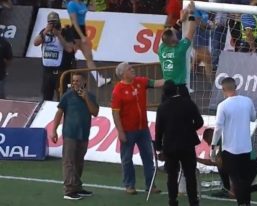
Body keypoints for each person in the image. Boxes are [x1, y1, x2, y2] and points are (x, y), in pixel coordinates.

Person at [111, 62, 163, 195]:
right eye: (130, 69)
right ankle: (129, 185)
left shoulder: (140, 81)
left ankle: (151, 184)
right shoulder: (118, 90)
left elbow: (157, 83)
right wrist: (120, 131)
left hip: (143, 129)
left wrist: (173, 77)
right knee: (127, 158)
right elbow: (115, 113)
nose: (133, 70)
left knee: (148, 157)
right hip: (128, 130)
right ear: (123, 73)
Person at [50, 72, 99, 200]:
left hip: (83, 134)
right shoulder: (67, 96)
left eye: (78, 81)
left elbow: (95, 112)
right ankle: (69, 190)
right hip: (70, 133)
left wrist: (86, 98)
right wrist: (53, 130)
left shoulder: (90, 96)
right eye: (73, 81)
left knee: (79, 162)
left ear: (84, 82)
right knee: (69, 162)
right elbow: (59, 113)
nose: (75, 83)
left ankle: (77, 187)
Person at [155, 80, 204, 206]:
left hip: (170, 145)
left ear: (164, 93)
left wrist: (158, 147)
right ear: (177, 90)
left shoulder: (162, 108)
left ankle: (172, 201)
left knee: (171, 176)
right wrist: (189, 129)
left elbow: (159, 130)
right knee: (190, 175)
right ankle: (193, 202)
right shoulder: (188, 103)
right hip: (187, 144)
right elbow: (199, 122)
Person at [210, 77, 257, 206]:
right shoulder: (248, 101)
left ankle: (242, 203)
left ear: (223, 89)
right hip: (246, 148)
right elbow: (253, 118)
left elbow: (218, 129)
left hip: (230, 149)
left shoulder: (223, 105)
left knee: (236, 180)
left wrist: (213, 148)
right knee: (244, 179)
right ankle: (246, 203)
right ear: (235, 87)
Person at [197, 128, 257, 200]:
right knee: (221, 165)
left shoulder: (225, 144)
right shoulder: (225, 139)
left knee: (234, 194)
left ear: (212, 136)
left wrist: (196, 159)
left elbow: (220, 163)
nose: (209, 144)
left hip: (248, 165)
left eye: (208, 141)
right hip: (252, 162)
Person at [67, 0, 111, 87]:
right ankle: (68, 80)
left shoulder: (82, 4)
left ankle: (98, 79)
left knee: (89, 57)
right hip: (75, 32)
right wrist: (82, 36)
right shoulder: (71, 4)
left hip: (83, 30)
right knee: (70, 58)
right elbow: (74, 22)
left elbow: (93, 8)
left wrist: (93, 2)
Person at [158, 0, 196, 98]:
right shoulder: (180, 49)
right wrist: (192, 13)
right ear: (174, 40)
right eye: (175, 36)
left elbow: (168, 33)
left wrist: (180, 20)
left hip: (166, 87)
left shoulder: (162, 48)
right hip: (179, 88)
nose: (176, 34)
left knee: (166, 110)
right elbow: (191, 31)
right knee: (186, 109)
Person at [34, 11, 76, 101]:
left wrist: (59, 35)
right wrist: (46, 30)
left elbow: (69, 49)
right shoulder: (44, 33)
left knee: (62, 97)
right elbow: (35, 43)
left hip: (60, 72)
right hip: (47, 72)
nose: (53, 24)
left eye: (55, 22)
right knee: (46, 98)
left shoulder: (65, 32)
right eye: (51, 22)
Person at [193, 4, 213, 83]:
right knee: (208, 59)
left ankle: (190, 77)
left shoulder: (205, 7)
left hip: (205, 37)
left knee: (197, 59)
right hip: (197, 36)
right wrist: (210, 26)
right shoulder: (196, 7)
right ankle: (211, 83)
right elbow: (197, 22)